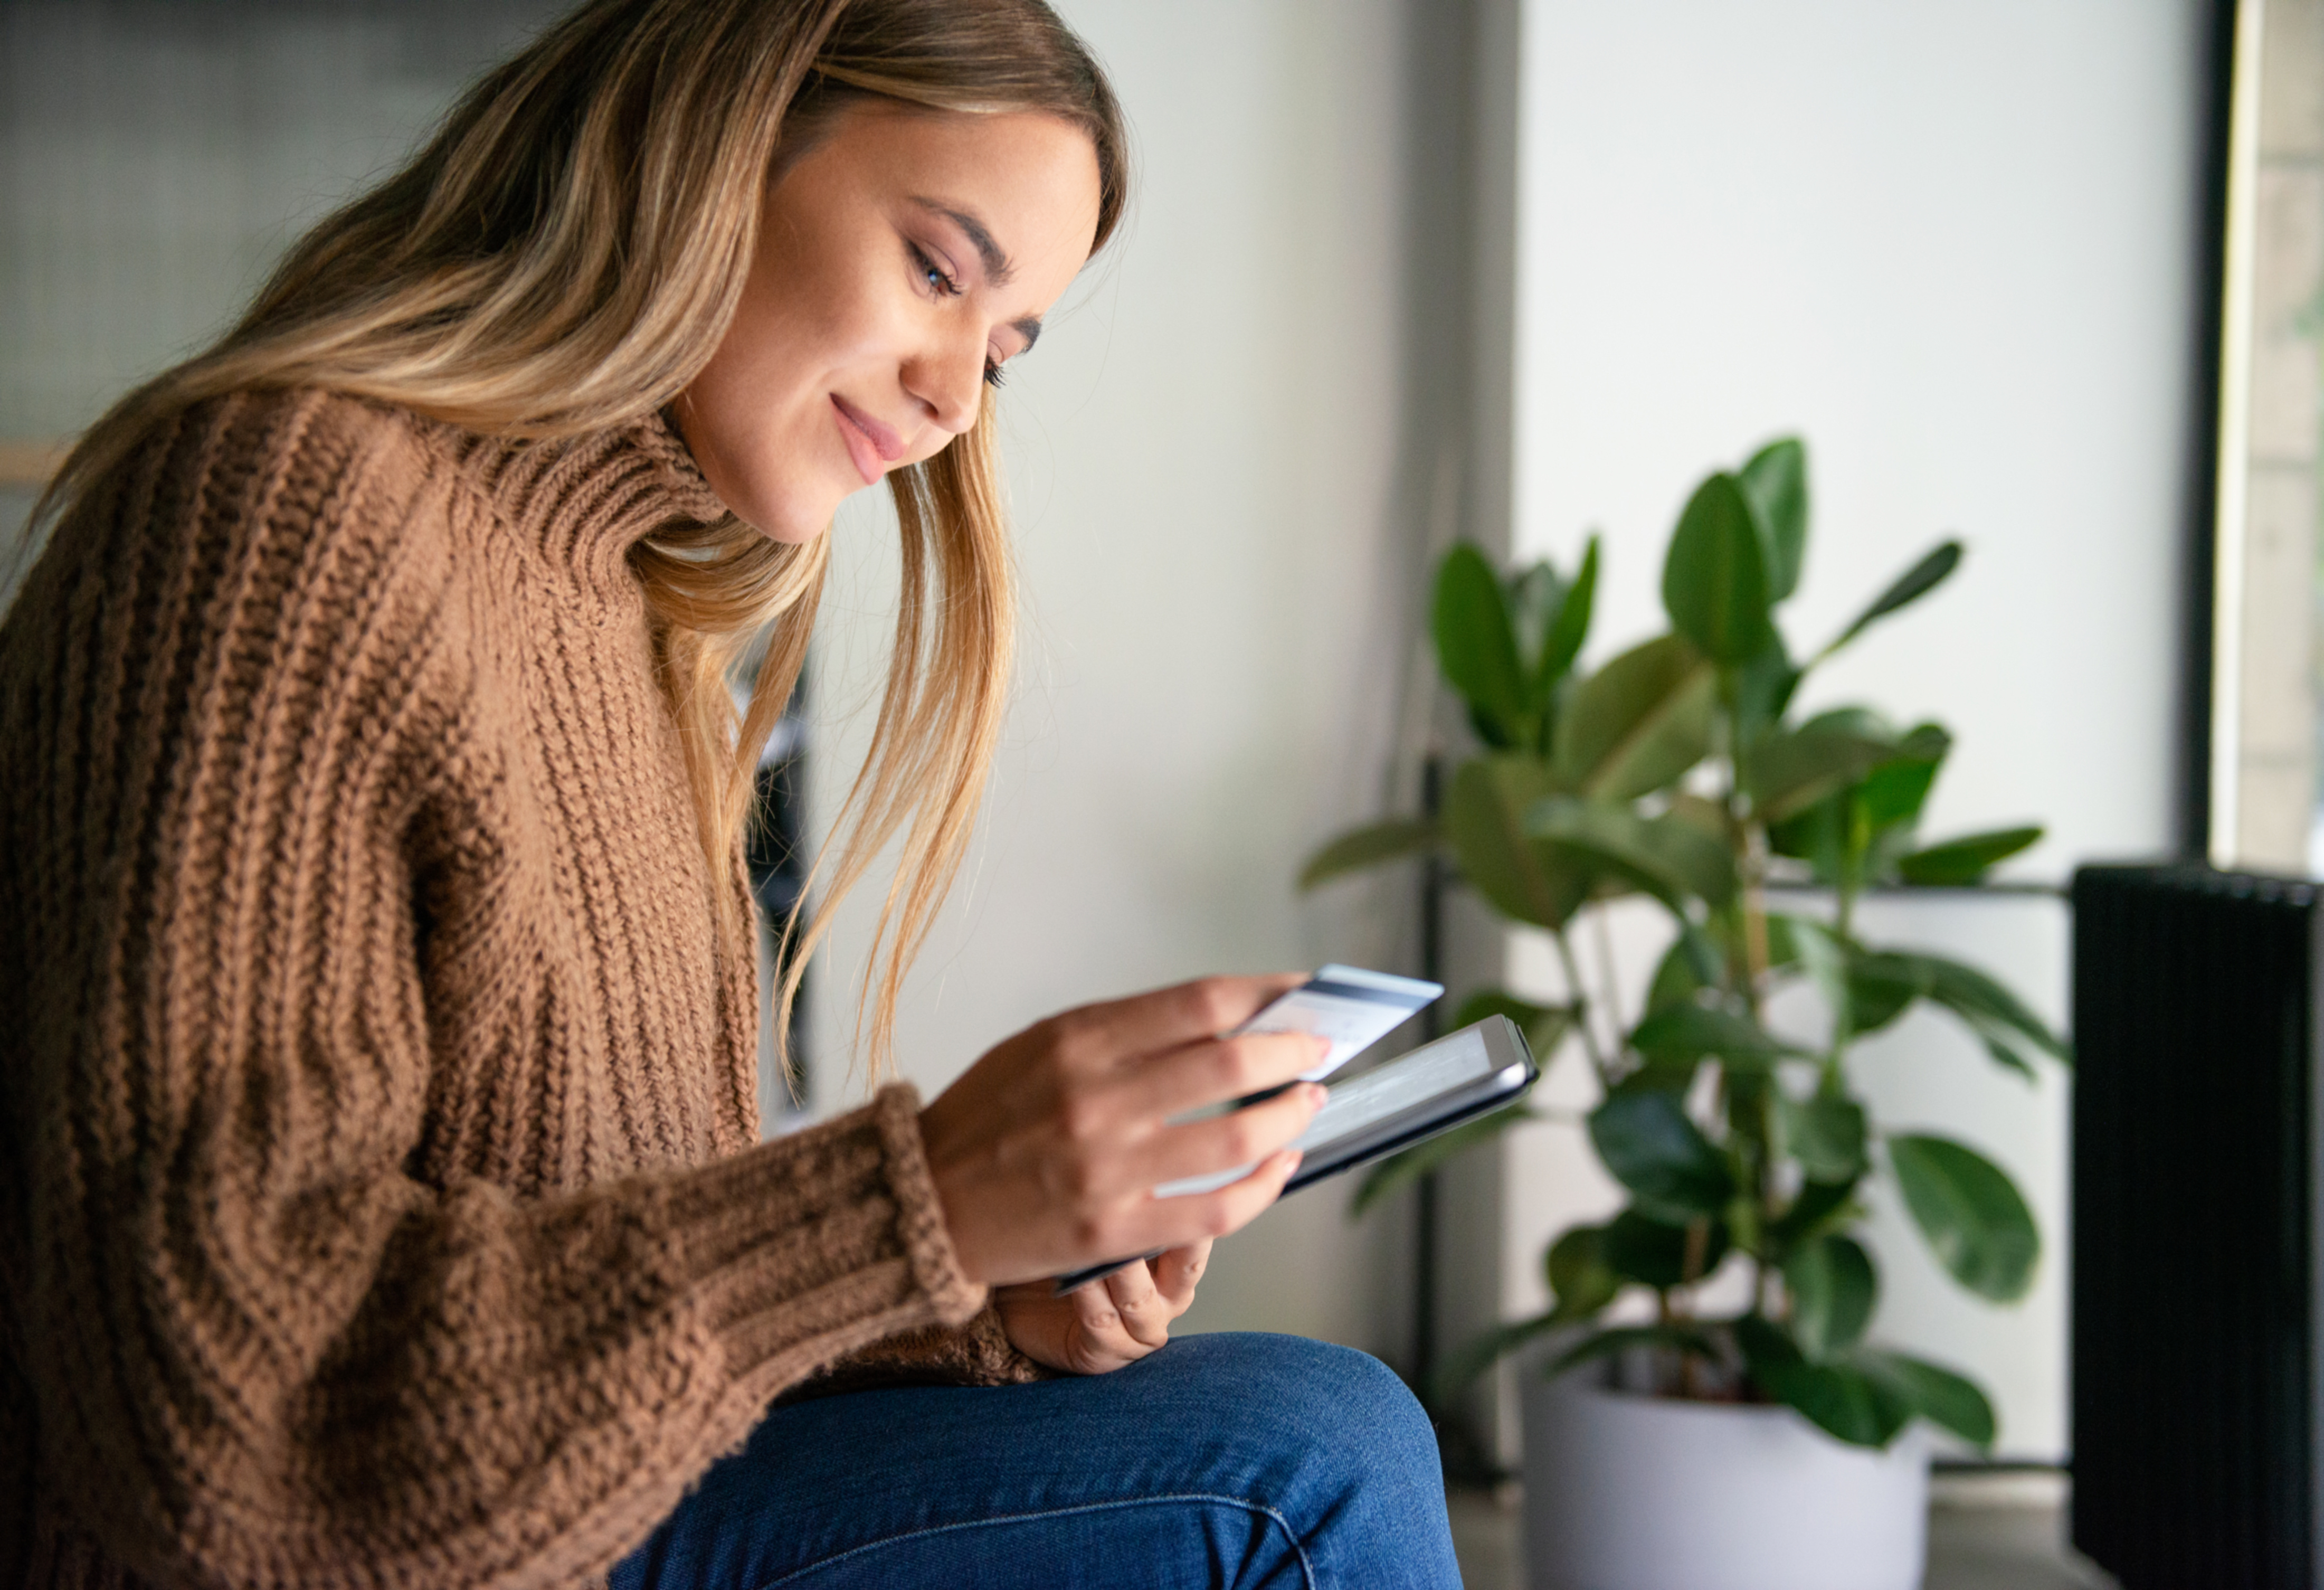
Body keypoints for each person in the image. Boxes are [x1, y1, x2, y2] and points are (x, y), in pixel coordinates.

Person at [0, 2, 1464, 1586]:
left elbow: (605, 1310)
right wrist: (922, 1202)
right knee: (1305, 1459)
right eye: (938, 268)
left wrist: (958, 1295)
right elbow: (232, 1420)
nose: (955, 396)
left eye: (1002, 348)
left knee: (1315, 1420)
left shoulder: (640, 628)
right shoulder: (283, 514)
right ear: (714, 145)